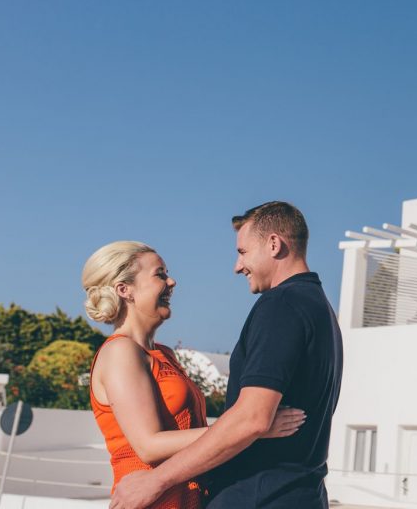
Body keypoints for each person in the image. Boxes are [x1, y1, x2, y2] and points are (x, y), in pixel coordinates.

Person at [110, 201, 344, 509]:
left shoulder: (282, 305)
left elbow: (252, 418)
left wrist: (156, 481)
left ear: (274, 244)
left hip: (261, 498)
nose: (237, 266)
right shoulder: (320, 308)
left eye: (243, 252)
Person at [82, 241, 306, 509]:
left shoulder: (165, 355)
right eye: (160, 274)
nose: (172, 282)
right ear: (124, 290)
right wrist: (246, 429)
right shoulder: (120, 351)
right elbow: (148, 445)